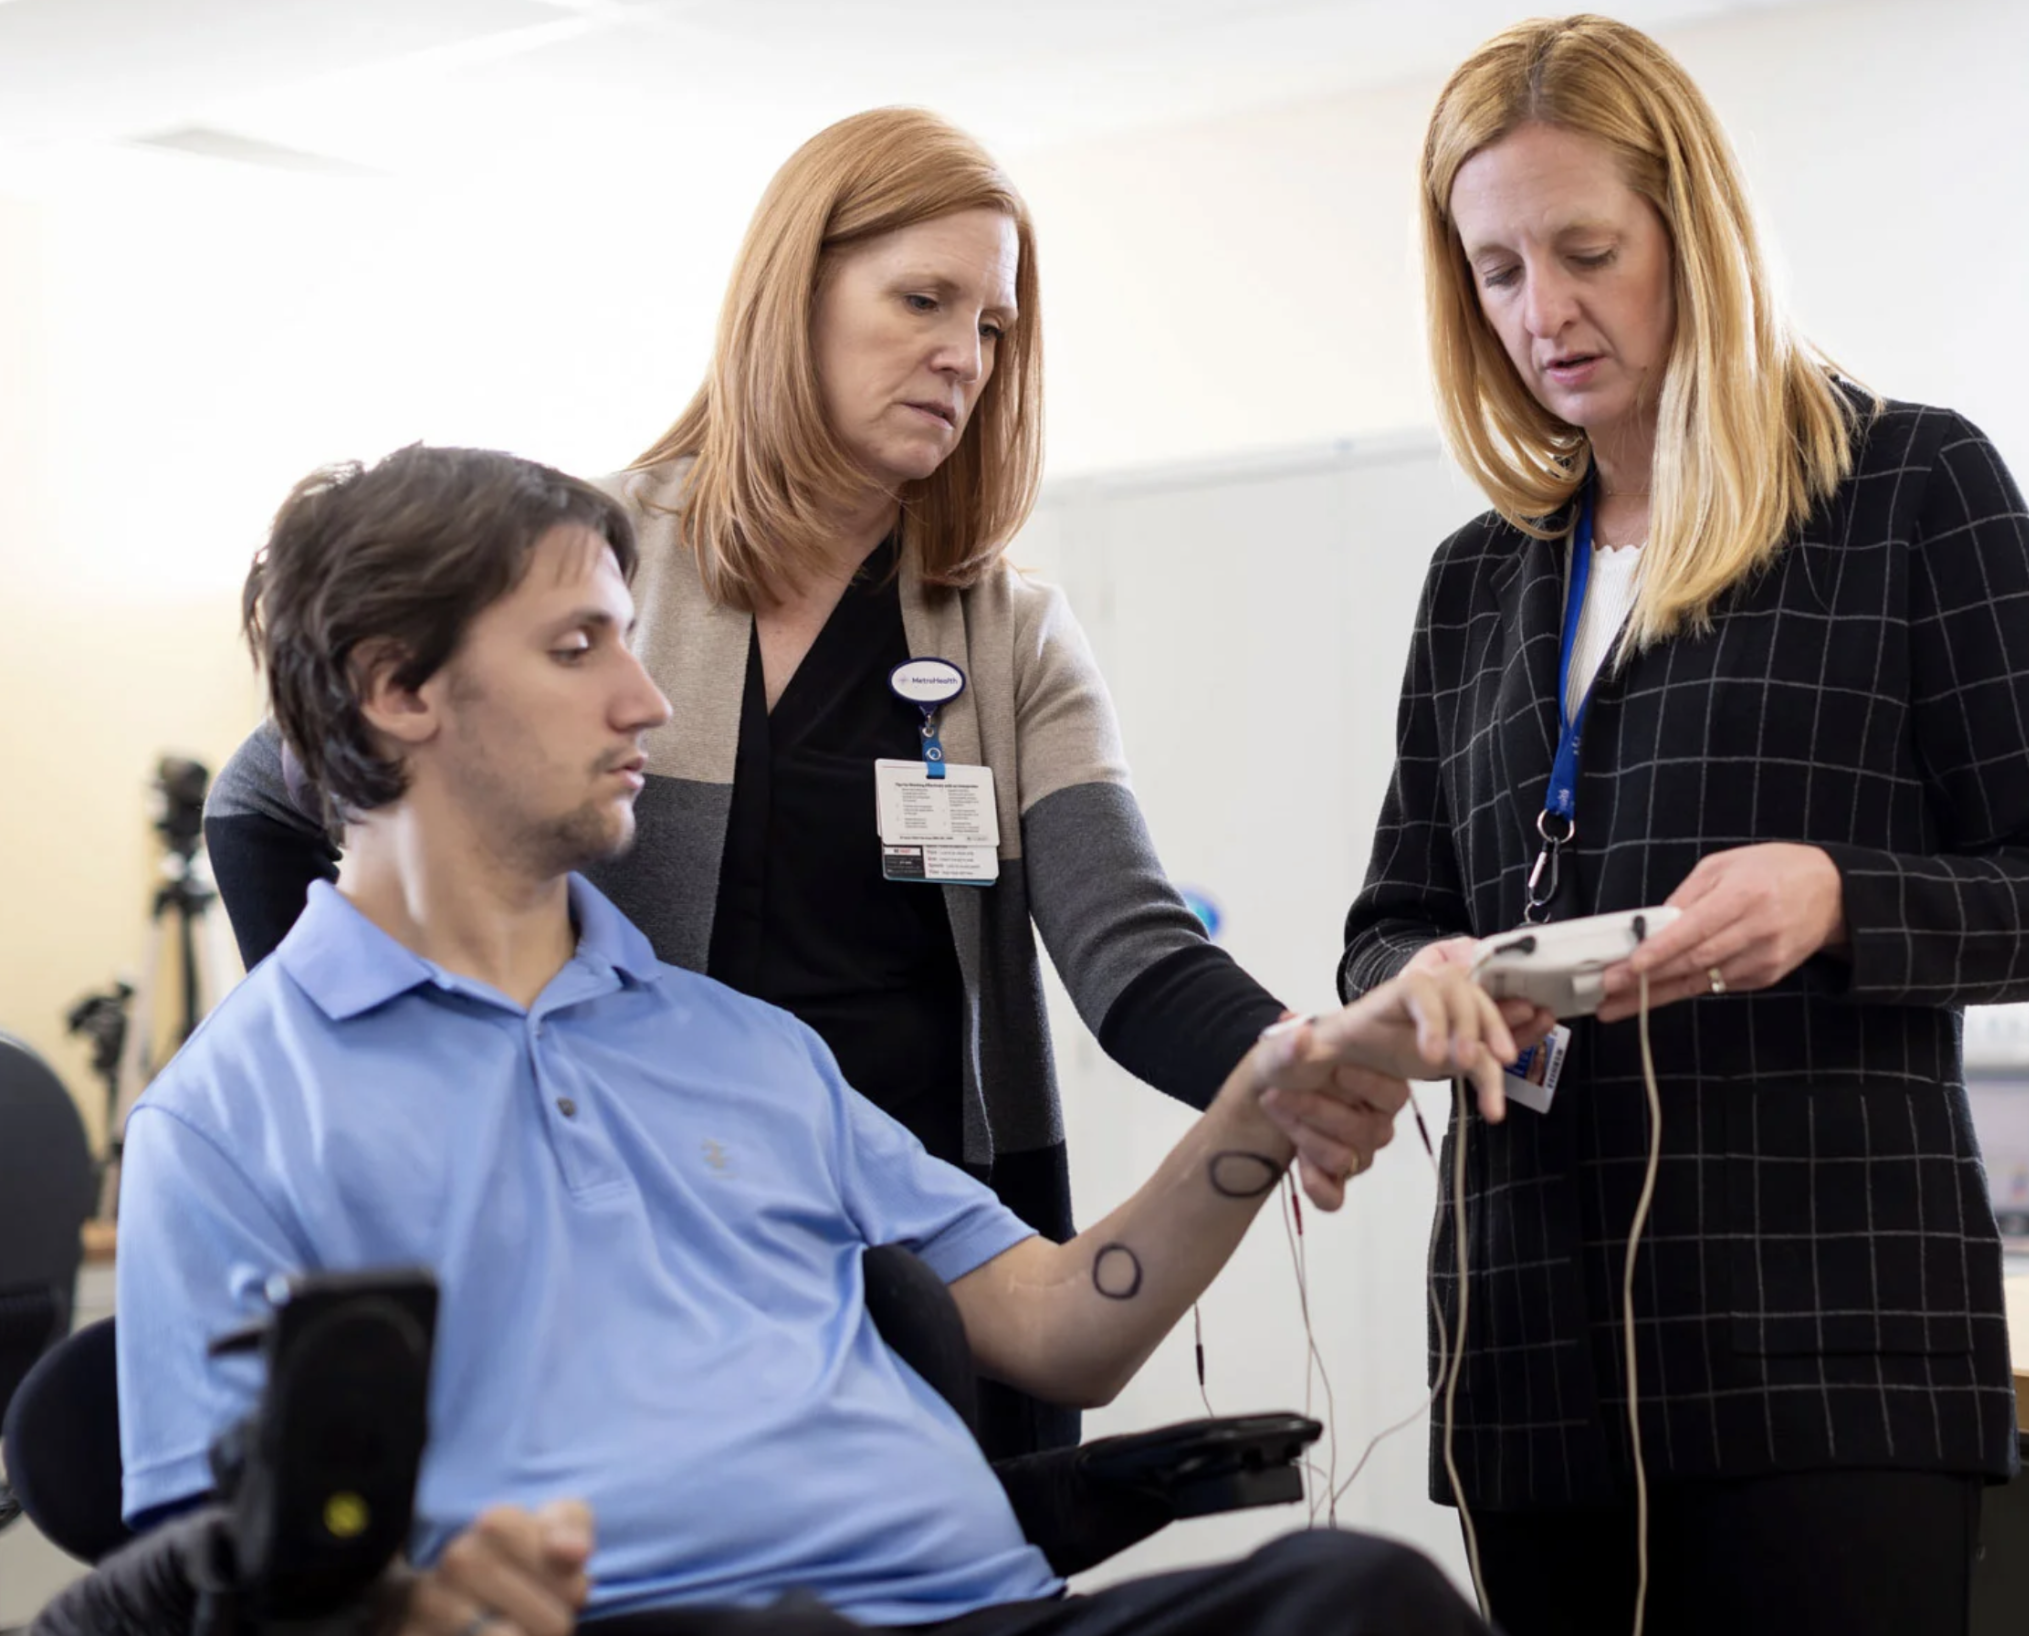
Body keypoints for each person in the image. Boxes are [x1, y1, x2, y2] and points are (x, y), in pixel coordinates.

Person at [81, 446, 1509, 1636]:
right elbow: (217, 1582)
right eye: (579, 647)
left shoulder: (742, 1049)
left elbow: (1070, 1332)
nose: (644, 699)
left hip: (976, 1609)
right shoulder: (228, 1123)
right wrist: (410, 1602)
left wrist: (1265, 1100)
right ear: (401, 690)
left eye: (632, 643)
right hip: (666, 1620)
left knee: (1358, 1595)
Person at [200, 109, 1337, 1458]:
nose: (960, 357)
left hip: (935, 1238)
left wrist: (1301, 1062)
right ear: (794, 292)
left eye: (993, 327)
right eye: (923, 300)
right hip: (642, 1230)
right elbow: (265, 797)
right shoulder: (586, 565)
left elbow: (1133, 952)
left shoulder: (1005, 629)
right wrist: (381, 1071)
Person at [1340, 16, 2029, 1635]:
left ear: (1689, 232)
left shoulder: (1912, 488)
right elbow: (1390, 911)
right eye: (1494, 272)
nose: (1543, 313)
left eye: (1586, 251)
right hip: (1535, 1362)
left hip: (1825, 1358)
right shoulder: (1479, 579)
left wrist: (1837, 896)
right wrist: (1417, 977)